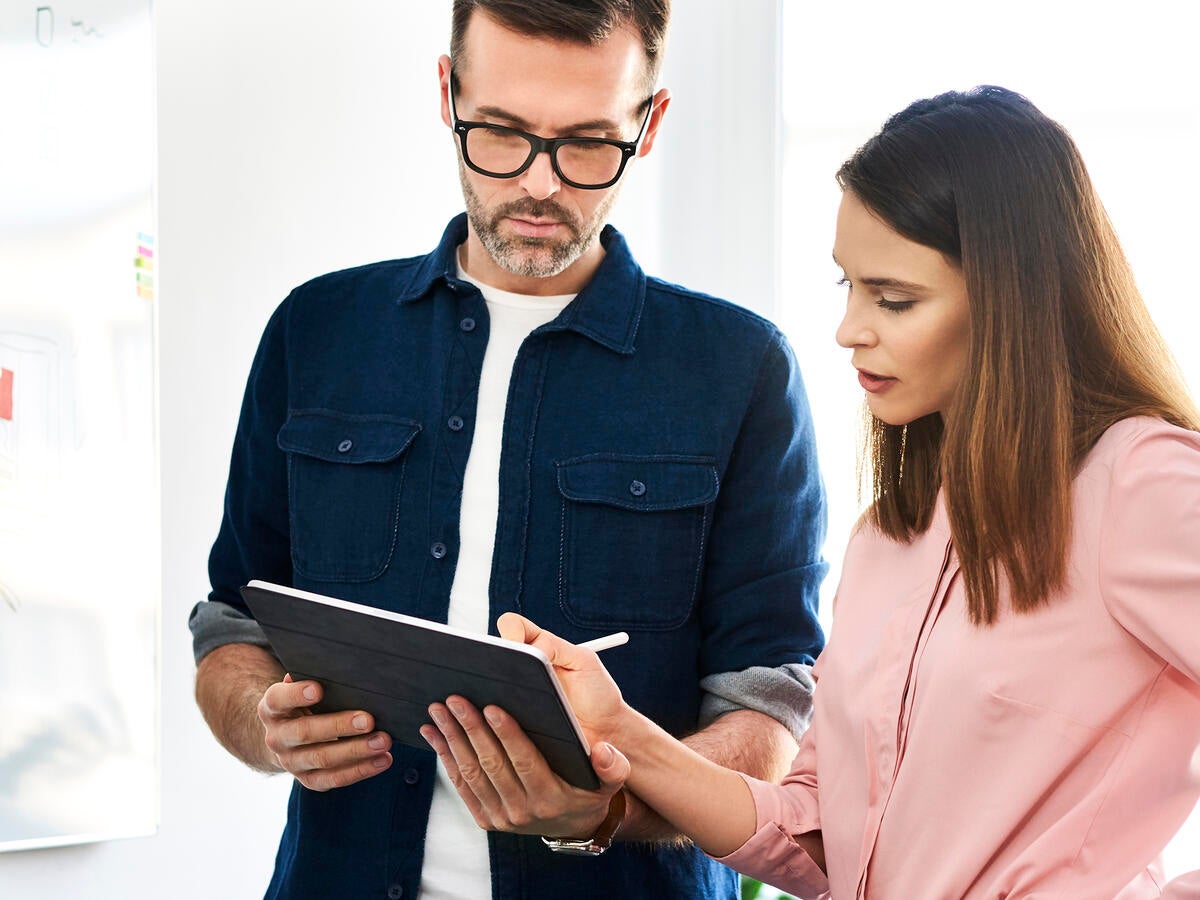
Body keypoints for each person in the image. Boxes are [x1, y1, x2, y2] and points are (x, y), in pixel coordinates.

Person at [424, 86, 1200, 898]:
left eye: (893, 299)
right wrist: (620, 732)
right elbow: (814, 831)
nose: (849, 329)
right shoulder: (890, 538)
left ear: (1014, 298)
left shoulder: (1140, 485)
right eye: (847, 287)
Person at [188, 2, 828, 898]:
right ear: (447, 93)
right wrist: (264, 722)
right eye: (501, 132)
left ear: (650, 123)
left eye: (588, 143)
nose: (539, 183)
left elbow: (767, 709)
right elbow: (232, 627)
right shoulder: (316, 331)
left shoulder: (741, 369)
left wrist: (606, 808)